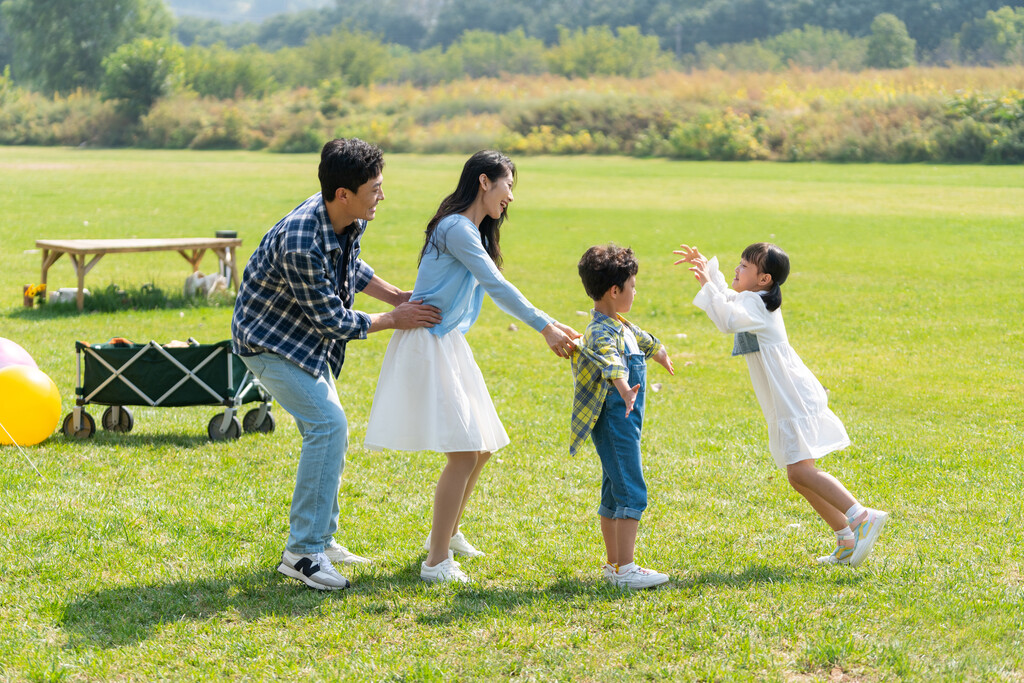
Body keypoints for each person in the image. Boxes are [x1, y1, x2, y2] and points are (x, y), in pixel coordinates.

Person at [232, 138, 442, 591]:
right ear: (342, 193)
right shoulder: (301, 241)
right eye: (375, 188)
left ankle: (321, 541)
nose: (382, 196)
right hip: (269, 342)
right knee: (328, 426)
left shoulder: (348, 217)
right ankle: (302, 554)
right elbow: (331, 320)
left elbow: (352, 268)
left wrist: (397, 296)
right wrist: (395, 318)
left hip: (302, 340)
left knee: (330, 430)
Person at [363, 150, 579, 584]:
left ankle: (446, 536)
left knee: (480, 447)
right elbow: (495, 285)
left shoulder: (467, 231)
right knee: (463, 453)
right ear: (484, 182)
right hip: (428, 343)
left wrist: (551, 324)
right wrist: (545, 327)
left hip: (447, 342)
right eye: (508, 186)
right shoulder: (456, 228)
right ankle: (436, 562)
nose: (511, 198)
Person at [673, 242, 887, 567]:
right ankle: (845, 537)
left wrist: (706, 281)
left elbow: (727, 319)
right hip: (786, 396)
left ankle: (861, 516)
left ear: (764, 279)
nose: (737, 268)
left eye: (745, 265)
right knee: (798, 474)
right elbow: (729, 303)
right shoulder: (753, 300)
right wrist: (709, 272)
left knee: (801, 470)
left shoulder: (757, 307)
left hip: (791, 397)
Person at [570, 245, 674, 589]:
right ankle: (626, 569)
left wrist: (659, 351)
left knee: (614, 489)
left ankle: (615, 566)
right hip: (616, 416)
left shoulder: (620, 323)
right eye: (632, 285)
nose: (635, 291)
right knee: (631, 489)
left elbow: (641, 339)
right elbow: (612, 361)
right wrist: (625, 387)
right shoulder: (601, 332)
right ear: (615, 291)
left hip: (626, 418)